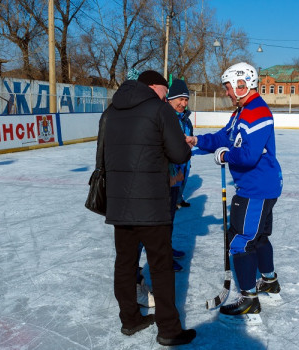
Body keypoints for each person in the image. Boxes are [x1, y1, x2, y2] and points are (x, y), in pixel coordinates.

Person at [102, 70, 196, 346]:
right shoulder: (159, 110)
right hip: (152, 204)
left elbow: (103, 154)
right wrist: (185, 146)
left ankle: (130, 320)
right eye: (165, 90)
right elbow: (178, 154)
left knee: (125, 263)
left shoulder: (111, 111)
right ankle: (169, 330)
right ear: (153, 87)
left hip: (119, 202)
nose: (167, 96)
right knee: (161, 266)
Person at [186, 62, 283, 321]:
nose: (227, 92)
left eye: (229, 87)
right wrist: (198, 141)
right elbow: (223, 137)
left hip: (256, 188)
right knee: (258, 237)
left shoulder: (256, 112)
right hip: (261, 185)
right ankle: (269, 281)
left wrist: (226, 155)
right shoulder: (242, 112)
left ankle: (249, 298)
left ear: (242, 85)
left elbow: (248, 156)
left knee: (240, 241)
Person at [167, 79, 192, 272]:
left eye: (186, 99)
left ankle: (166, 248)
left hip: (179, 172)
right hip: (167, 174)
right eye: (180, 99)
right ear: (170, 98)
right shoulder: (165, 117)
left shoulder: (185, 119)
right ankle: (162, 256)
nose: (183, 103)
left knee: (170, 217)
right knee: (163, 220)